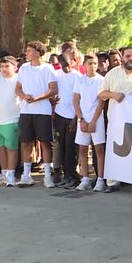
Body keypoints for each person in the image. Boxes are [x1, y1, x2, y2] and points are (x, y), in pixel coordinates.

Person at [98, 46, 132, 192]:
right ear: (122, 58)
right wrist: (114, 95)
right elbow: (102, 94)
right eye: (127, 56)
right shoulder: (112, 74)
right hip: (117, 119)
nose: (130, 59)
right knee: (115, 149)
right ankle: (113, 181)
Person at [15, 41, 58, 188]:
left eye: (29, 50)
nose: (26, 53)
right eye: (27, 50)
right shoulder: (24, 68)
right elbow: (18, 88)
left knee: (45, 143)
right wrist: (24, 96)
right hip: (26, 111)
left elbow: (53, 89)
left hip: (43, 111)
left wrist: (38, 98)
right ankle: (26, 175)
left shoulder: (48, 68)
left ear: (38, 53)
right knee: (25, 142)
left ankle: (47, 176)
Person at [73, 55, 106, 192]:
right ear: (84, 65)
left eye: (94, 63)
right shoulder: (80, 80)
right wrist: (81, 119)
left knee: (99, 149)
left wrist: (93, 121)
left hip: (96, 119)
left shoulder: (101, 80)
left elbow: (101, 102)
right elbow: (76, 100)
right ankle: (85, 178)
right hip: (83, 120)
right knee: (83, 149)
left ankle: (100, 179)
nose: (92, 66)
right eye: (89, 63)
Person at [53, 53, 81, 188]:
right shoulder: (56, 75)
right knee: (62, 146)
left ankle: (73, 175)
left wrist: (76, 118)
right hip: (59, 115)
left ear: (73, 62)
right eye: (61, 64)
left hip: (72, 116)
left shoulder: (78, 76)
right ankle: (66, 174)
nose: (65, 66)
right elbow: (51, 91)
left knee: (71, 147)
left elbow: (80, 99)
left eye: (67, 63)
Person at [0, 56, 21, 186]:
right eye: (2, 66)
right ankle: (3, 173)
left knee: (11, 147)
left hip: (12, 119)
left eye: (7, 66)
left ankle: (11, 174)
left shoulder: (19, 79)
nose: (4, 69)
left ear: (15, 67)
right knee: (0, 147)